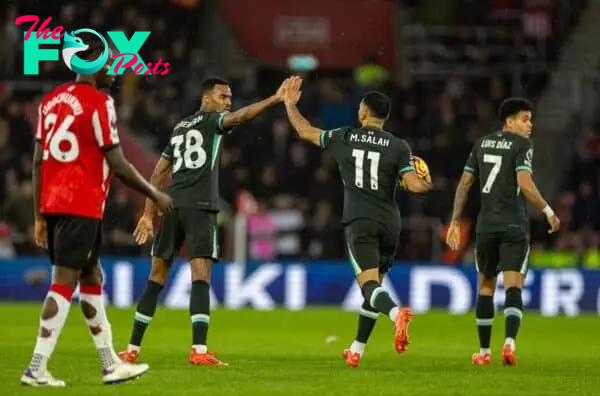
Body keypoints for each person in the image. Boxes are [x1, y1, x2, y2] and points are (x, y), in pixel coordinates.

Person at [22, 42, 173, 387]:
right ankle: (36, 367)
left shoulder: (49, 102)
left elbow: (37, 161)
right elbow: (117, 164)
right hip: (81, 203)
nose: (114, 71)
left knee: (91, 277)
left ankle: (110, 364)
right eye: (109, 65)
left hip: (55, 203)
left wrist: (39, 216)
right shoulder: (100, 103)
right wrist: (154, 193)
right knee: (63, 283)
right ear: (92, 66)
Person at [119, 76, 298, 366]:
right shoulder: (213, 121)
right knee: (200, 276)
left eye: (229, 97)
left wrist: (149, 215)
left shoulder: (179, 127)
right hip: (200, 207)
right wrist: (274, 100)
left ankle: (131, 349)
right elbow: (242, 116)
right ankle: (199, 351)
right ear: (207, 99)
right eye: (223, 97)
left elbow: (157, 174)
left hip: (172, 204)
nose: (228, 103)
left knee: (155, 279)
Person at [281, 78, 432, 368]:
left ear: (362, 114)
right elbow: (414, 185)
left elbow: (305, 131)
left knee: (368, 287)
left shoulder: (345, 137)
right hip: (389, 224)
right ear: (385, 118)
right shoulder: (399, 146)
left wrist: (289, 104)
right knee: (376, 287)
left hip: (360, 221)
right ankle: (356, 350)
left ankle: (397, 314)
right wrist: (426, 183)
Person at [445, 97, 560, 367]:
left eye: (530, 119)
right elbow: (525, 182)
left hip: (486, 227)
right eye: (524, 119)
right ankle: (509, 345)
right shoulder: (522, 145)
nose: (530, 125)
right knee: (513, 285)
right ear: (509, 121)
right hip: (513, 226)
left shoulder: (481, 143)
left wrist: (454, 221)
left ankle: (484, 352)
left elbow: (464, 183)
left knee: (485, 287)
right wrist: (547, 210)